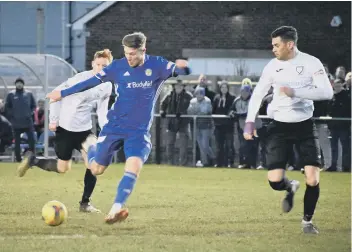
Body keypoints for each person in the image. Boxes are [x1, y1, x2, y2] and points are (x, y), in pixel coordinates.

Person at [46, 32, 191, 224]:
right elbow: (90, 82)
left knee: (134, 166)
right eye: (126, 53)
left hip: (138, 132)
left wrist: (184, 67)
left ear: (143, 50)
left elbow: (182, 72)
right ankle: (92, 147)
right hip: (114, 127)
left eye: (133, 53)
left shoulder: (157, 65)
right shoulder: (117, 67)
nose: (129, 57)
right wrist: (62, 93)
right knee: (96, 169)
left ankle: (115, 209)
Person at [243, 26, 333, 234]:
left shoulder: (311, 63)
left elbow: (327, 92)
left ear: (289, 44)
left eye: (276, 45)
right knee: (275, 181)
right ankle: (290, 186)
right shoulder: (272, 67)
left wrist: (296, 92)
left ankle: (307, 222)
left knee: (312, 178)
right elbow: (258, 94)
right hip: (279, 127)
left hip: (304, 126)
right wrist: (249, 121)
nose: (273, 48)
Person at [17, 49, 114, 213]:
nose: (101, 68)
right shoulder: (79, 79)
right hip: (65, 129)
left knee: (94, 163)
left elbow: (102, 111)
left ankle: (85, 203)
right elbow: (55, 96)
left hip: (85, 130)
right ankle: (33, 160)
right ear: (92, 64)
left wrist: (107, 129)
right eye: (98, 64)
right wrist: (53, 120)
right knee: (63, 168)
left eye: (104, 66)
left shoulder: (107, 85)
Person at [4, 78, 36, 162]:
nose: (19, 84)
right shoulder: (11, 94)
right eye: (17, 83)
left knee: (32, 140)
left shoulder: (29, 93)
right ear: (15, 84)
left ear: (23, 84)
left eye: (21, 83)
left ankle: (32, 157)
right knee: (17, 142)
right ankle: (18, 158)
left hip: (28, 122)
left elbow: (33, 105)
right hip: (16, 123)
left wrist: (30, 113)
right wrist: (13, 115)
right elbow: (7, 107)